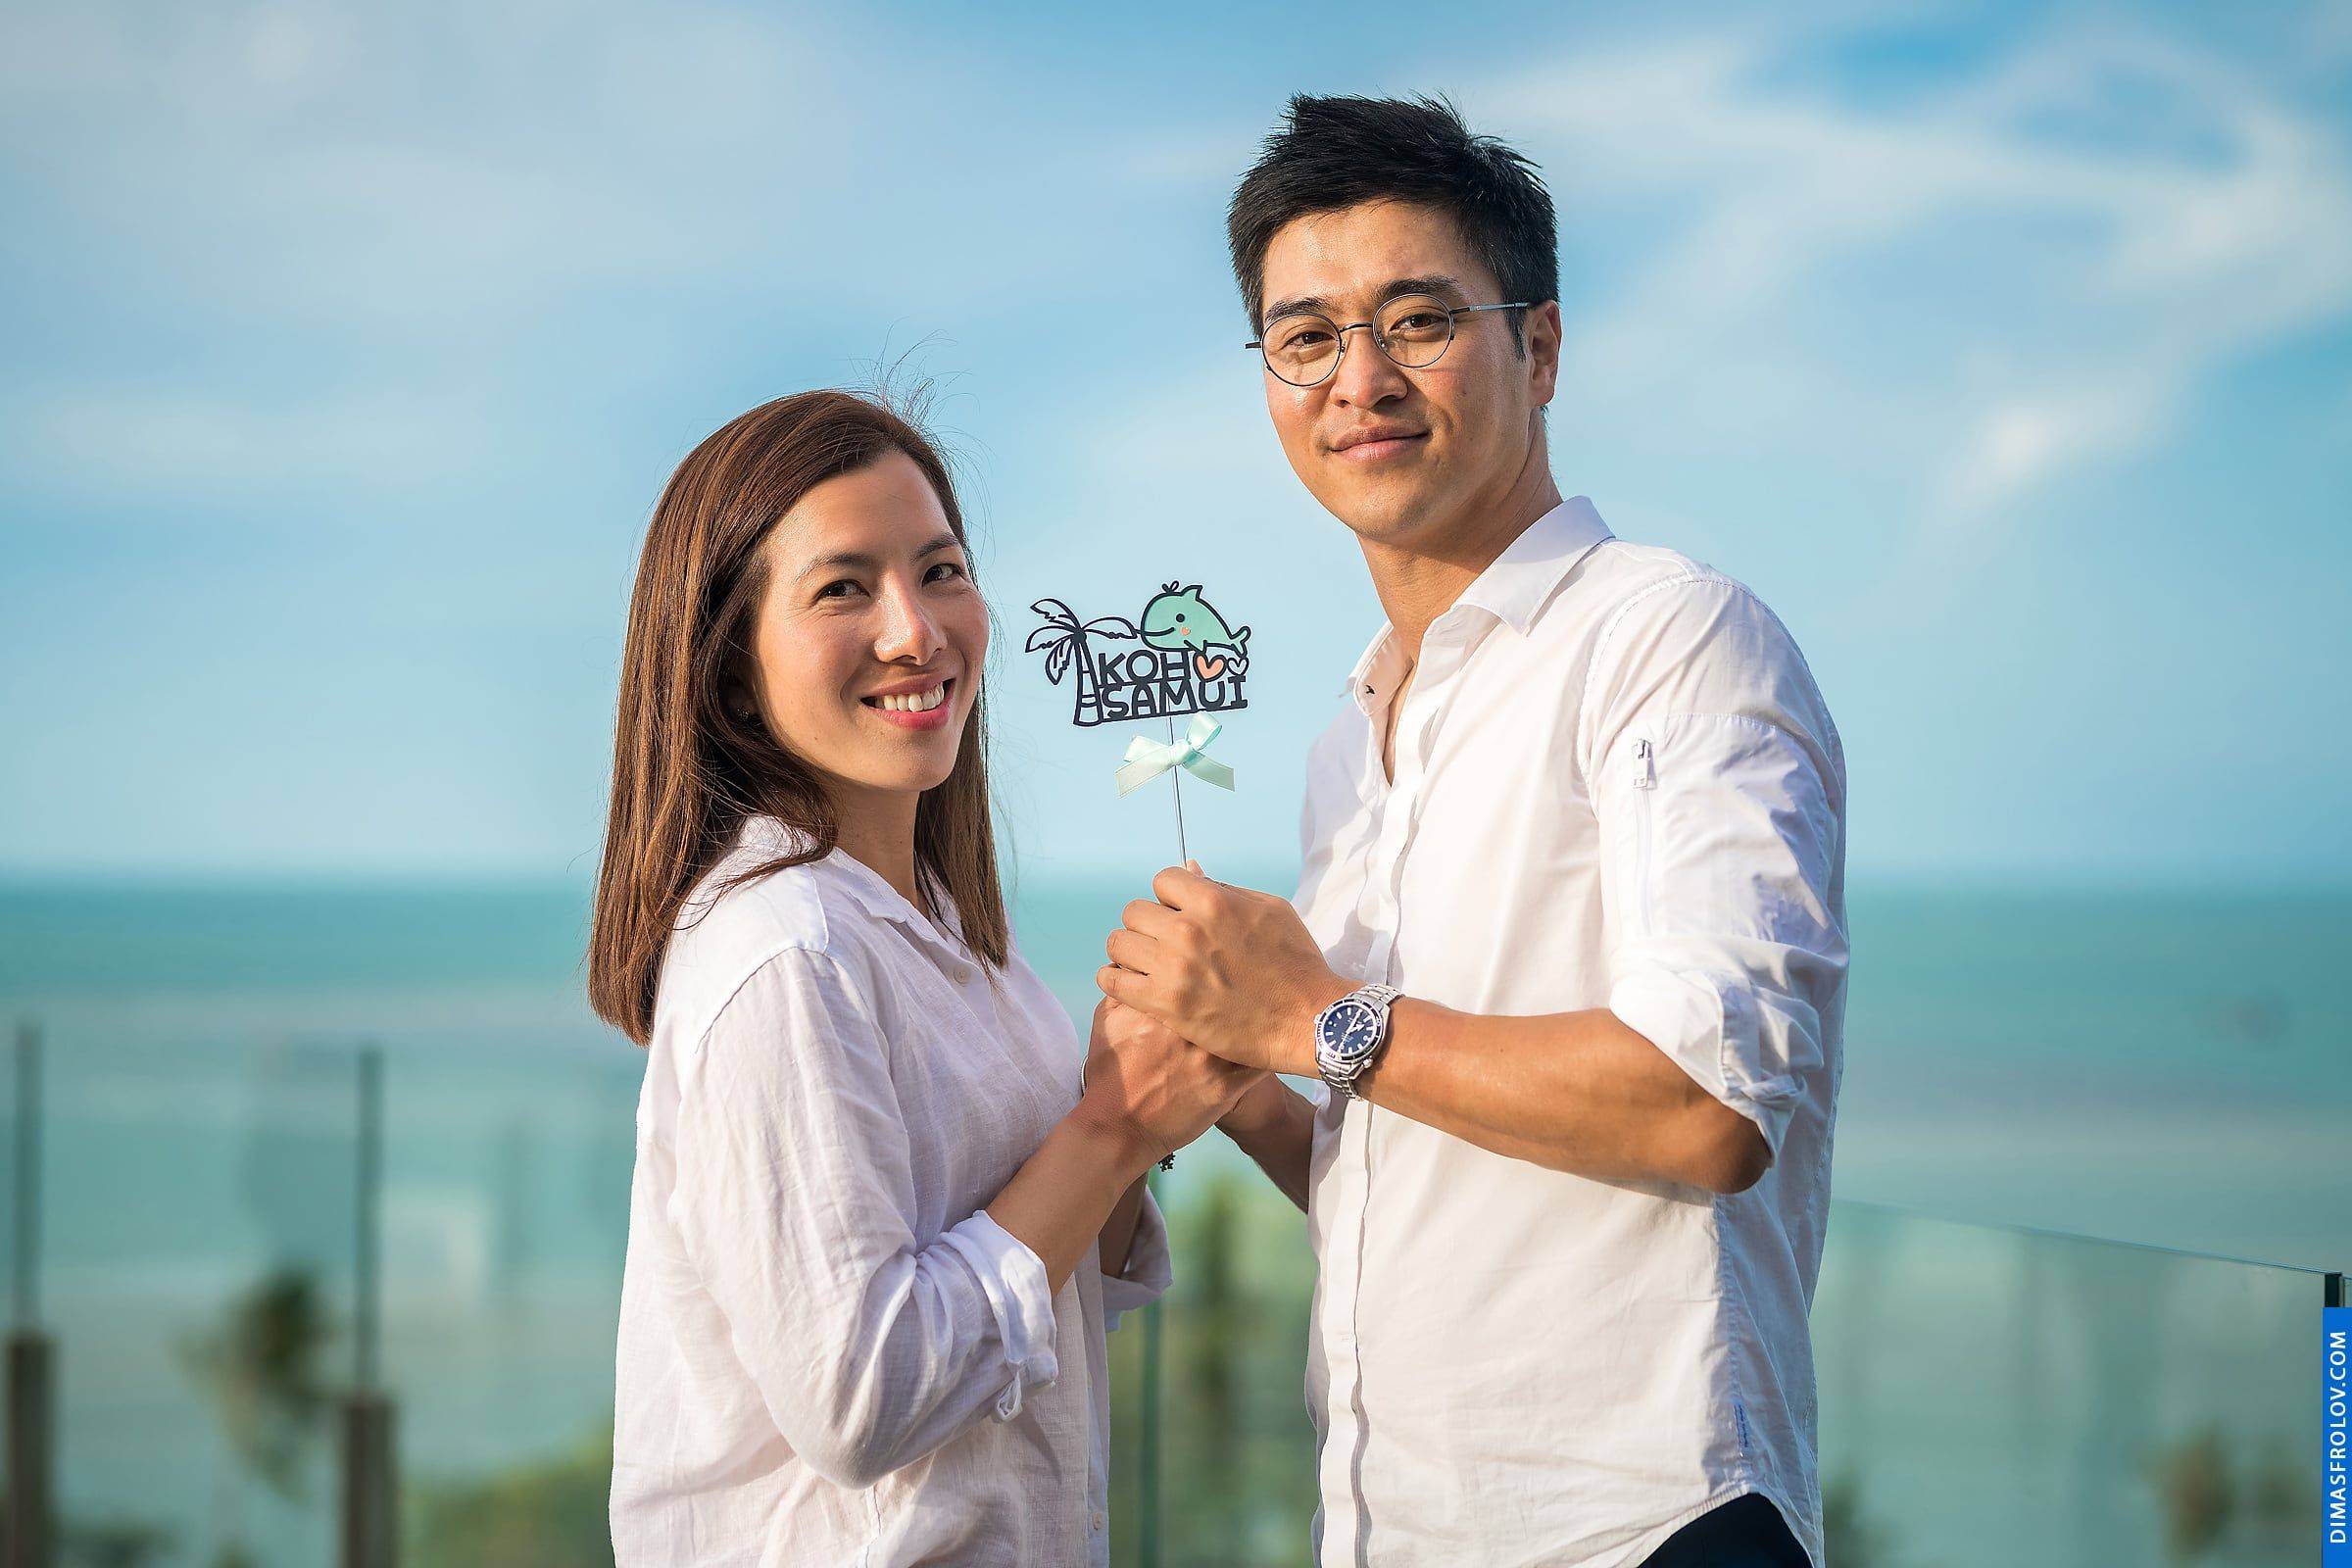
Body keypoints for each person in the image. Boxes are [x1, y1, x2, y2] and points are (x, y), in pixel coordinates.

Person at [1099, 96, 1845, 1567]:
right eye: (1305, 337)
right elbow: (1418, 1180)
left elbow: (1706, 1105)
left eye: (1419, 320)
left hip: (1644, 1524)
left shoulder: (1670, 638)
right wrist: (1242, 1075)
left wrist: (1311, 1016)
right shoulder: (1351, 737)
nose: (1358, 379)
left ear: (1541, 348)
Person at [590, 389, 1259, 1566]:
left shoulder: (951, 934)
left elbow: (1058, 1301)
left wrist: (1146, 1090)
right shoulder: (786, 951)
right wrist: (1110, 1125)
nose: (916, 630)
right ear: (731, 669)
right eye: (843, 588)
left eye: (941, 571)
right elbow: (862, 1397)